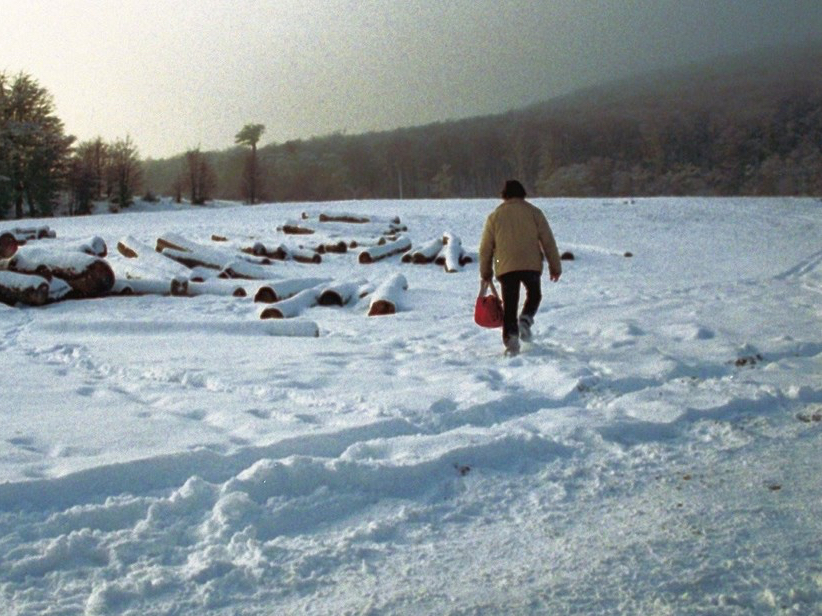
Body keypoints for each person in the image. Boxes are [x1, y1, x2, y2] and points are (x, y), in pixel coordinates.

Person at [478, 180, 562, 355]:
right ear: (523, 193)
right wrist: (555, 266)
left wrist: (485, 271)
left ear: (504, 195)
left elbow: (486, 247)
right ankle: (525, 320)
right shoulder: (534, 213)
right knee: (535, 294)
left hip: (506, 267)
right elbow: (548, 241)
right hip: (531, 264)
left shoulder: (495, 216)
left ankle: (511, 342)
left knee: (510, 305)